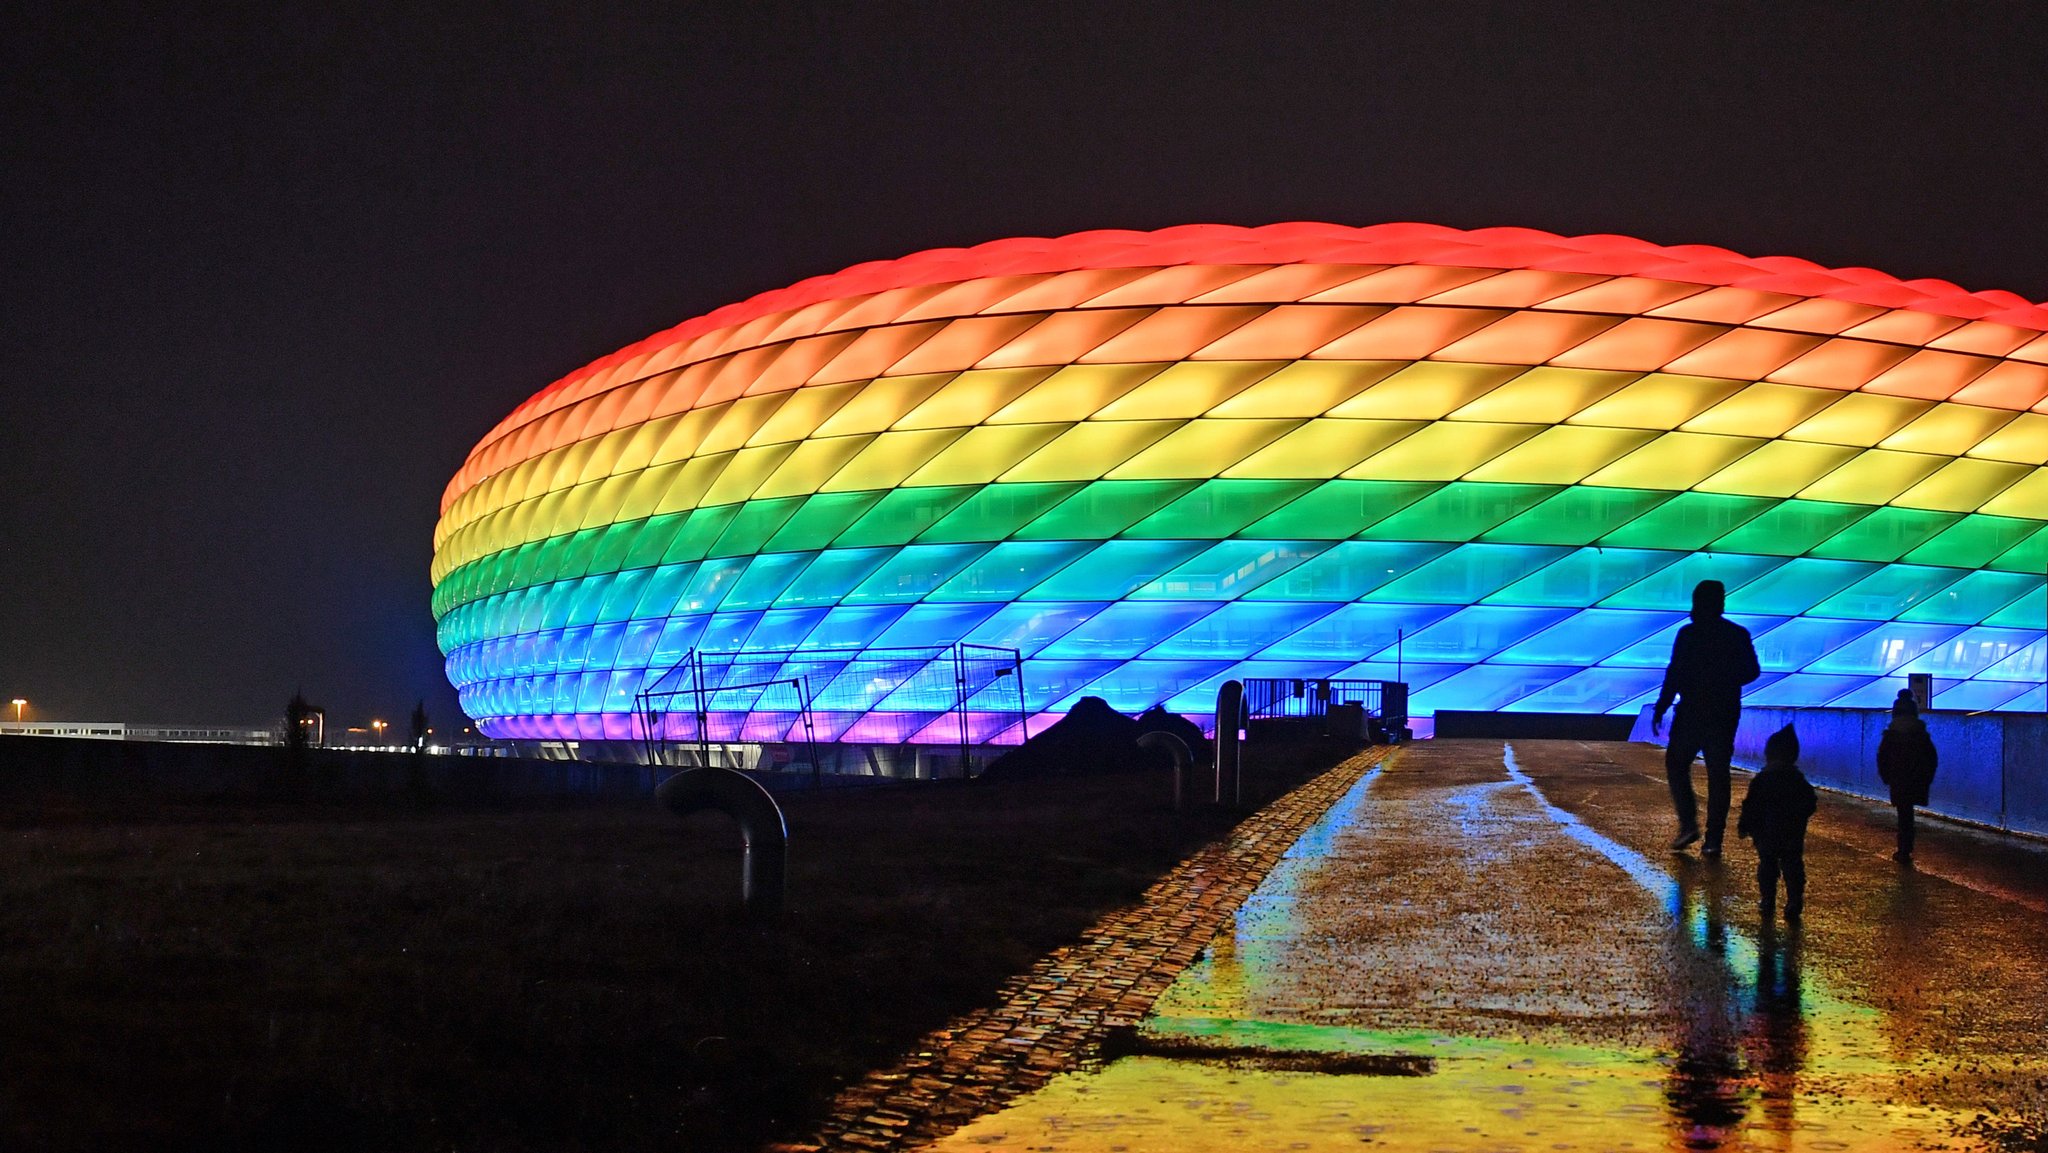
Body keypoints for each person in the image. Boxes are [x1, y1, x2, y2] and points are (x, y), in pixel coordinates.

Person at [1652, 579, 1762, 854]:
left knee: (1677, 763)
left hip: (1691, 710)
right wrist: (1725, 679)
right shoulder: (1737, 634)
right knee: (1718, 773)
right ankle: (1714, 839)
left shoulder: (1688, 634)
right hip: (1723, 711)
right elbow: (1752, 671)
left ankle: (1689, 824)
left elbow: (1674, 671)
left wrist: (1662, 705)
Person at [1737, 724, 1817, 923]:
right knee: (1793, 866)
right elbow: (1810, 802)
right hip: (1792, 833)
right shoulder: (1797, 780)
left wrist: (1744, 826)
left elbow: (1751, 805)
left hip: (1767, 834)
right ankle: (1794, 900)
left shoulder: (1763, 779)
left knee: (1767, 867)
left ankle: (1768, 899)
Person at [1876, 690, 1938, 863]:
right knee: (1907, 813)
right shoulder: (1920, 734)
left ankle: (1903, 849)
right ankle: (1906, 848)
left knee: (1903, 813)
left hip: (1898, 777)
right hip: (1916, 777)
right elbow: (1931, 757)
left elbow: (1882, 756)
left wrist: (1886, 776)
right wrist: (1927, 777)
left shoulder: (1891, 735)